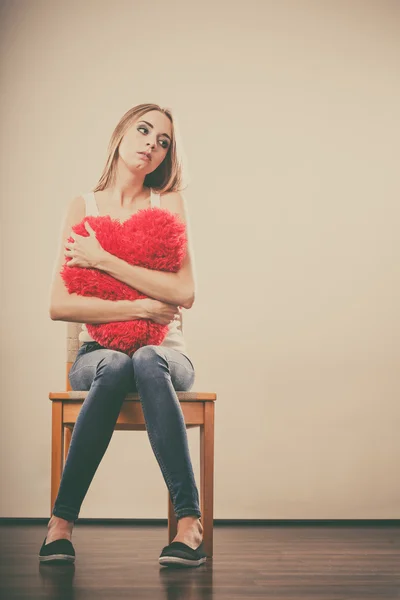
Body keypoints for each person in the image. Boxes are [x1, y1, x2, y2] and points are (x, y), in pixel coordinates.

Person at [39, 103, 206, 568]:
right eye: (144, 130)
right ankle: (61, 525)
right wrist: (141, 304)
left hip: (165, 356)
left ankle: (189, 525)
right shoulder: (83, 207)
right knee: (114, 362)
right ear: (120, 135)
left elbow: (184, 292)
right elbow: (60, 304)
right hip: (98, 354)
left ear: (165, 156)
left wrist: (103, 259)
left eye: (163, 141)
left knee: (146, 357)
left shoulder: (166, 203)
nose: (152, 143)